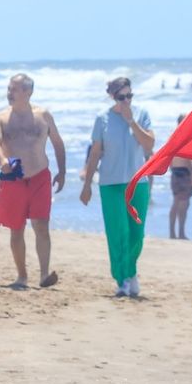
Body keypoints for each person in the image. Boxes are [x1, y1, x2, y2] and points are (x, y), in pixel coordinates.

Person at [80, 77, 155, 298]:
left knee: (136, 234)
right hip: (110, 184)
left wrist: (131, 121)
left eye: (129, 96)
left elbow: (149, 144)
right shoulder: (102, 118)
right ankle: (123, 279)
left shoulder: (141, 114)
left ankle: (130, 270)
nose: (126, 101)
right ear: (112, 97)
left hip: (137, 183)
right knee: (117, 233)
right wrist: (87, 185)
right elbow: (95, 153)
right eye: (121, 97)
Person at [0, 73, 66, 286]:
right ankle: (22, 276)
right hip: (13, 177)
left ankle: (44, 274)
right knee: (16, 229)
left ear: (28, 92)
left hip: (39, 176)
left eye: (14, 89)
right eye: (9, 89)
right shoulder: (1, 118)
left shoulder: (43, 116)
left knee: (41, 224)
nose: (9, 93)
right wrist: (2, 160)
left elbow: (57, 143)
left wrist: (62, 171)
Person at [168, 115, 192, 240]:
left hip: (176, 171)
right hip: (184, 171)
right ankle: (180, 233)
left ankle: (173, 233)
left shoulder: (174, 136)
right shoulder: (184, 136)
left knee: (177, 202)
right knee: (183, 203)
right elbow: (186, 156)